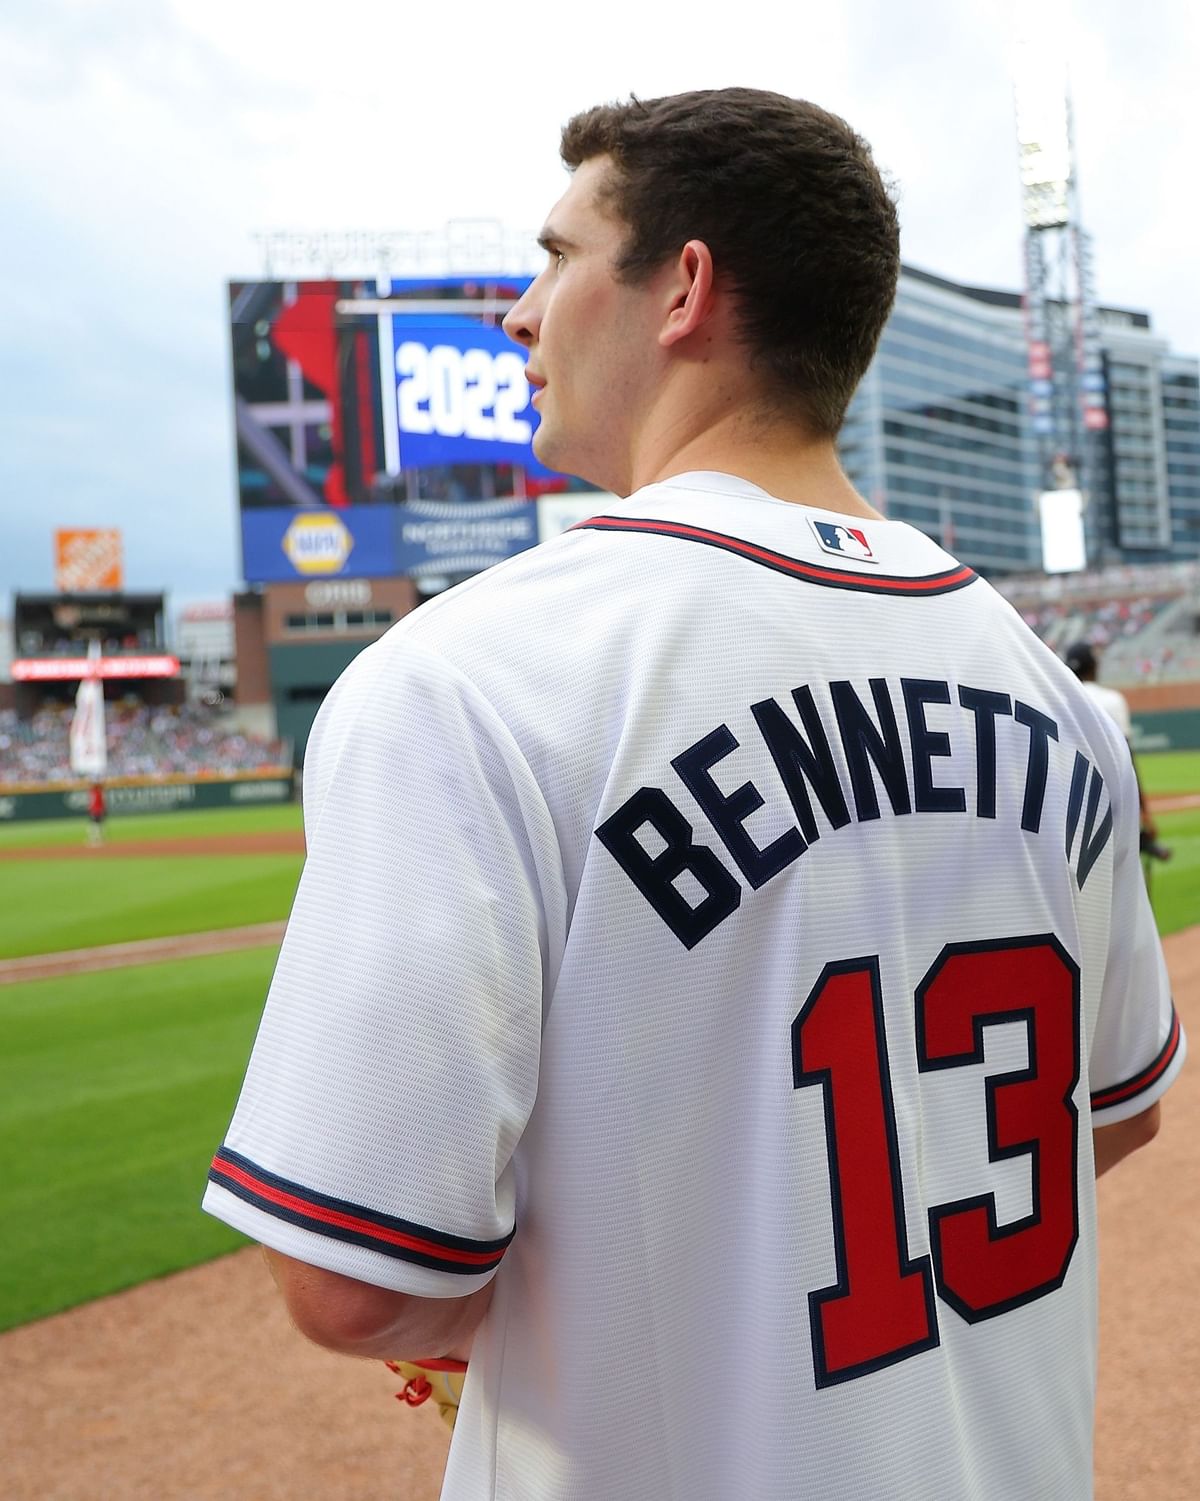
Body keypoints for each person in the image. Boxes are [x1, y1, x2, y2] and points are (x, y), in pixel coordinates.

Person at [203, 90, 1184, 1499]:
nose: (519, 315)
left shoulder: (467, 677)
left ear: (683, 290)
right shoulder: (1047, 690)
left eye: (555, 257)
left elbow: (355, 1285)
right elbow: (1122, 1108)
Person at [1064, 639, 1169, 861]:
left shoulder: (1059, 699)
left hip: (1067, 806)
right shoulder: (1111, 700)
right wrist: (1143, 810)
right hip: (1110, 804)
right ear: (1094, 666)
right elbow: (1126, 760)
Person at [86, 781, 106, 847]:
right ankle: (97, 839)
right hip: (97, 810)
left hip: (95, 810)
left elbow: (92, 802)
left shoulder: (94, 792)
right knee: (97, 825)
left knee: (95, 825)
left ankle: (95, 839)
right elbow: (102, 802)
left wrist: (90, 809)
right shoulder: (98, 792)